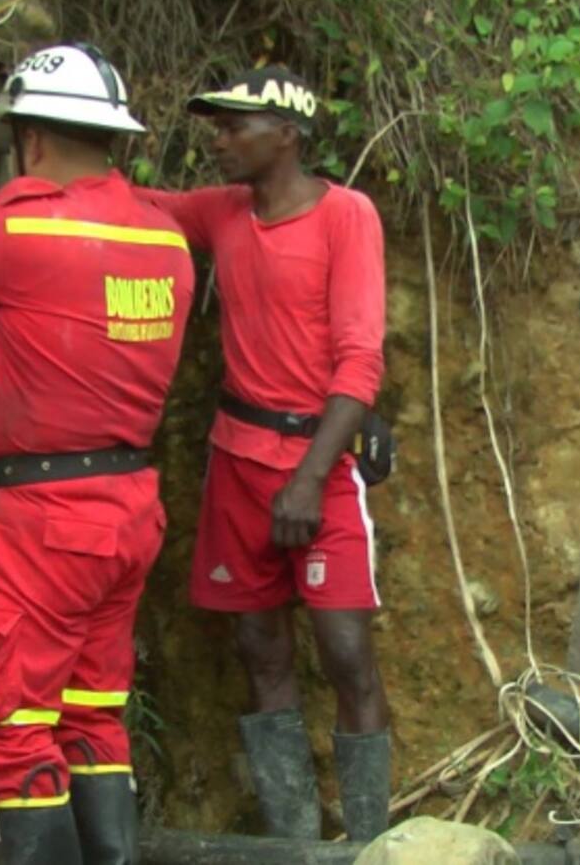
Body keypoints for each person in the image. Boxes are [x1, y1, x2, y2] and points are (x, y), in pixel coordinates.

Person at [0, 43, 195, 865]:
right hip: (125, 513)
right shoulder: (166, 243)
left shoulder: (17, 227)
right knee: (89, 713)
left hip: (42, 524)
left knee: (3, 726)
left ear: (29, 139)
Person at [138, 66, 389, 841]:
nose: (216, 142)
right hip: (236, 460)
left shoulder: (346, 216)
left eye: (232, 127)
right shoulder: (222, 214)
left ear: (287, 134)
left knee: (345, 650)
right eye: (215, 127)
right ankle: (295, 845)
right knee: (258, 647)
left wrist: (310, 479)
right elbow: (131, 207)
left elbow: (359, 362)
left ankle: (373, 844)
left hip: (318, 467)